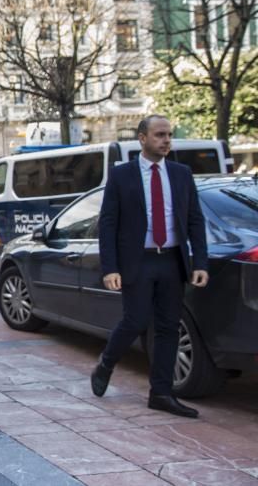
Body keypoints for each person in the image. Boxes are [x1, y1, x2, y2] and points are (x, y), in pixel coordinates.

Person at [91, 114, 209, 417]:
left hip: (172, 260)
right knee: (136, 320)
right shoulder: (122, 175)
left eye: (169, 135)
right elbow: (108, 223)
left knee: (169, 327)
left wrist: (200, 262)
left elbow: (195, 220)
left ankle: (161, 393)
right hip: (138, 261)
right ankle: (106, 363)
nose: (166, 140)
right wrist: (110, 268)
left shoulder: (182, 174)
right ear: (142, 138)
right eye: (159, 135)